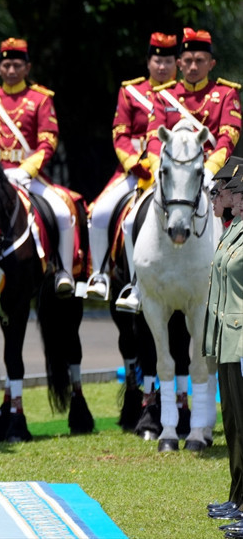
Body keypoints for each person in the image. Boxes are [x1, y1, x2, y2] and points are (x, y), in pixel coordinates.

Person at [116, 27, 242, 313]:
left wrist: (211, 169)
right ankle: (136, 284)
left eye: (200, 60)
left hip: (214, 174)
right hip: (172, 176)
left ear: (211, 64)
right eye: (188, 60)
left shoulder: (225, 94)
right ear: (180, 64)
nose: (194, 66)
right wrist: (161, 170)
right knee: (129, 220)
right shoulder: (163, 97)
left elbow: (228, 135)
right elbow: (153, 137)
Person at [0, 37, 74, 295]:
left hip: (28, 174)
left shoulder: (41, 98)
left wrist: (26, 170)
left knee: (62, 212)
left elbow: (48, 139)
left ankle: (63, 270)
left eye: (17, 65)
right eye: (7, 65)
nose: (11, 71)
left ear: (27, 68)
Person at [85, 33, 178, 301]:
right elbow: (120, 133)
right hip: (134, 170)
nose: (162, 66)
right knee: (99, 213)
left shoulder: (181, 96)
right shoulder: (131, 92)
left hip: (172, 172)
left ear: (177, 65)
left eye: (168, 61)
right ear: (148, 62)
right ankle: (100, 274)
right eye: (157, 60)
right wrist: (132, 163)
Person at [203, 165, 243, 527]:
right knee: (233, 423)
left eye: (221, 193)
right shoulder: (231, 233)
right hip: (229, 339)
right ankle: (238, 497)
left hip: (242, 341)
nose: (217, 198)